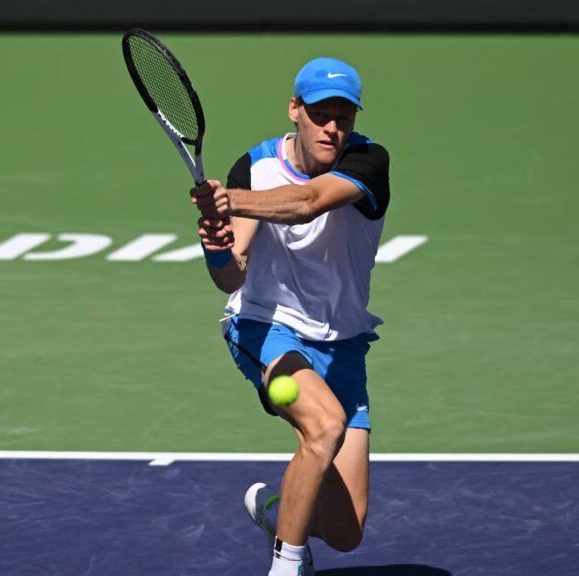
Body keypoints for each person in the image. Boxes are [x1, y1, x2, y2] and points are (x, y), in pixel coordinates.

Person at [190, 57, 390, 576]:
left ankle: (279, 512)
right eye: (321, 115)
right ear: (294, 110)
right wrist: (217, 248)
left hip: (343, 344)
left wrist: (228, 200)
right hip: (266, 327)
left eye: (343, 117)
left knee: (347, 534)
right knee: (323, 426)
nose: (333, 128)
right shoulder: (255, 167)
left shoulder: (368, 160)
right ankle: (288, 566)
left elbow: (307, 202)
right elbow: (231, 277)